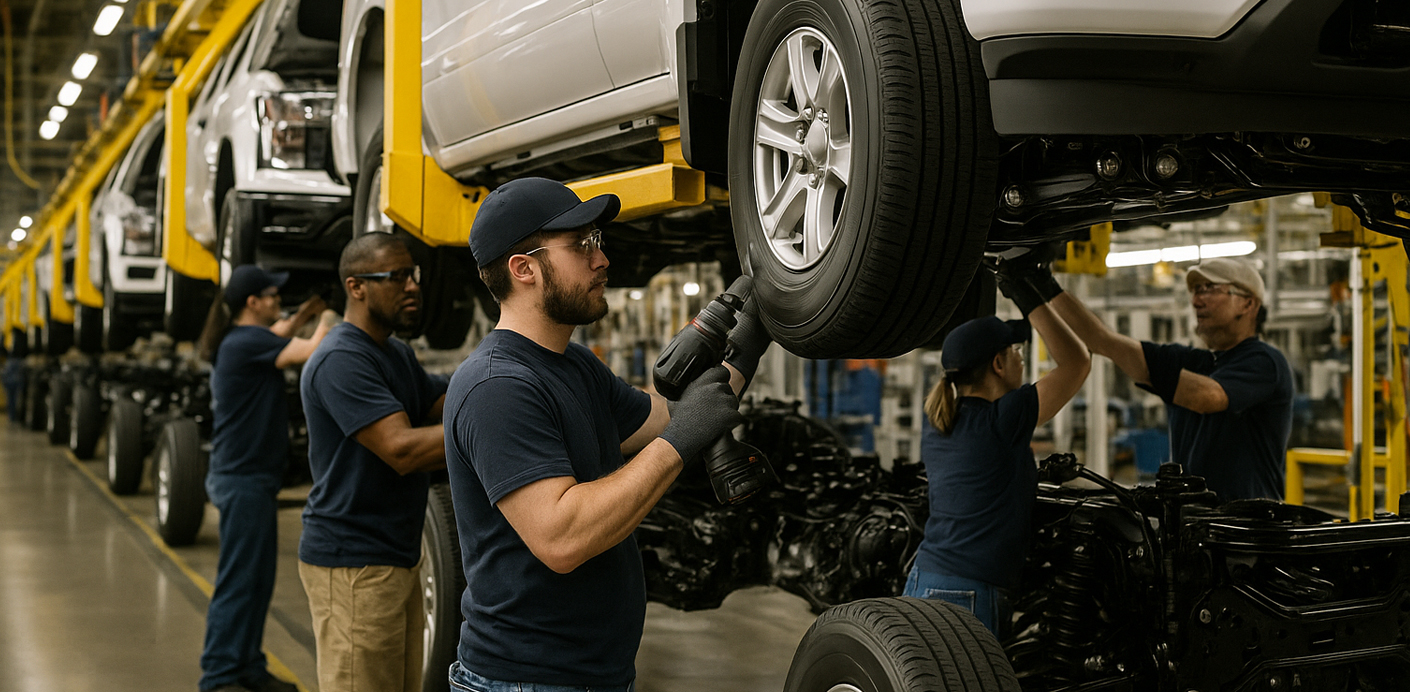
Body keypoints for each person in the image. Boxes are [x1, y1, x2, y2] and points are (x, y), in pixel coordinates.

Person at [442, 177, 771, 690]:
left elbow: (668, 418)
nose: (602, 260)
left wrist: (746, 345)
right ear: (524, 268)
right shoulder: (496, 386)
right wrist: (679, 445)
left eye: (597, 242)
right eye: (580, 246)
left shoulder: (571, 364)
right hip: (526, 680)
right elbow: (561, 536)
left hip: (594, 674)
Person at [1003, 255, 1293, 501]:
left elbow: (1209, 397)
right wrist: (1040, 285)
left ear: (1248, 304)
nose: (1197, 300)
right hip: (1194, 526)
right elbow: (1102, 340)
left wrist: (1151, 370)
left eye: (1210, 288)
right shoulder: (1194, 361)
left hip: (1250, 531)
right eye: (1196, 290)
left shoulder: (1264, 361)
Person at [297, 233, 449, 692]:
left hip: (395, 555)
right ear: (356, 287)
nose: (412, 287)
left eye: (413, 276)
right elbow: (401, 449)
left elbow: (440, 402)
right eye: (397, 277)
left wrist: (503, 381)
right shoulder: (341, 358)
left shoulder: (394, 352)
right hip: (353, 565)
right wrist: (493, 431)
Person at [907, 271, 1090, 637]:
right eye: (1017, 351)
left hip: (924, 579)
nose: (1023, 359)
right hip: (968, 593)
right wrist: (1026, 289)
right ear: (998, 364)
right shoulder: (1004, 418)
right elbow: (1077, 361)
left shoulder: (940, 420)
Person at [195, 264, 337, 692]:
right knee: (239, 581)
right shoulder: (245, 342)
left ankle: (248, 667)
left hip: (246, 477)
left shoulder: (242, 339)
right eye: (271, 294)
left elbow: (281, 331)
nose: (279, 298)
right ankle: (219, 676)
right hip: (244, 480)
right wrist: (330, 313)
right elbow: (313, 348)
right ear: (252, 303)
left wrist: (303, 313)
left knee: (255, 580)